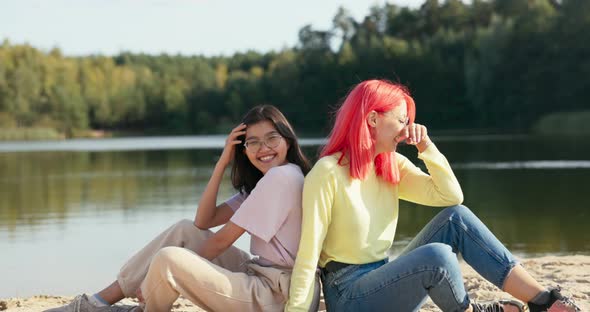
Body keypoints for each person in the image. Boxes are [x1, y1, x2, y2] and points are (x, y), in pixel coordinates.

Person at [285, 80, 581, 312]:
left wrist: (426, 147)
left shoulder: (391, 165)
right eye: (401, 120)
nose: (406, 129)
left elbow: (451, 196)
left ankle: (541, 301)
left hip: (385, 279)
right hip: (349, 296)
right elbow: (308, 256)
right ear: (373, 119)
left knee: (457, 219)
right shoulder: (327, 173)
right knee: (436, 257)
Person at [46, 105, 320, 312]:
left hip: (278, 295)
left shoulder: (280, 178)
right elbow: (203, 221)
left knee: (168, 260)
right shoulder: (271, 181)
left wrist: (155, 278)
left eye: (272, 138)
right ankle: (98, 302)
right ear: (243, 148)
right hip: (263, 276)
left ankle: (141, 307)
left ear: (288, 140)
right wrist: (221, 163)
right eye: (253, 142)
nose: (264, 148)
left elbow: (221, 241)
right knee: (184, 230)